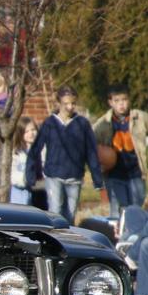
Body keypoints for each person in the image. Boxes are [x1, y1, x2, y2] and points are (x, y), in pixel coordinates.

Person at [26, 85, 105, 224]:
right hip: (54, 175)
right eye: (66, 104)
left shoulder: (82, 124)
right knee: (55, 210)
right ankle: (55, 238)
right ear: (58, 103)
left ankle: (68, 241)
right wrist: (30, 174)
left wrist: (97, 177)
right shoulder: (50, 123)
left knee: (70, 213)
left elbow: (91, 151)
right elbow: (36, 148)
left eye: (73, 103)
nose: (70, 107)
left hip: (74, 176)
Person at [93, 84, 147, 218]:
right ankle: (117, 236)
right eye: (117, 101)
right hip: (114, 173)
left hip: (136, 171)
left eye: (124, 100)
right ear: (110, 102)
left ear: (129, 100)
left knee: (137, 206)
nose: (121, 104)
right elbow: (90, 143)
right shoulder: (103, 123)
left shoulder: (139, 117)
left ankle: (136, 236)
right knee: (118, 208)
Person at [10, 116, 37, 205]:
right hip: (18, 192)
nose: (31, 133)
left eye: (33, 130)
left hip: (32, 191)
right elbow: (14, 176)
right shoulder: (17, 153)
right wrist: (25, 180)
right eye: (27, 131)